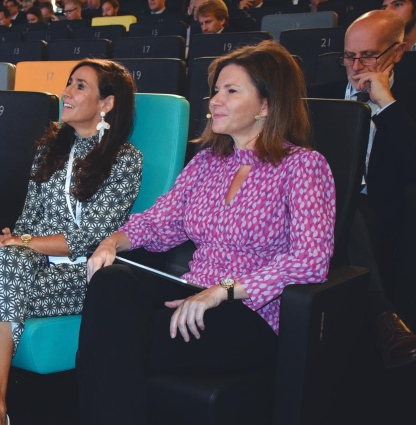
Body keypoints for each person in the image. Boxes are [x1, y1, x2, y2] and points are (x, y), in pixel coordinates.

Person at [78, 41, 336, 425]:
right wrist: (112, 241)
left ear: (266, 105)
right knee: (111, 280)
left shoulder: (303, 166)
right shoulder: (207, 162)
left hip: (251, 309)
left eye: (231, 91)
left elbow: (310, 260)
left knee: (116, 344)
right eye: (216, 90)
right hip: (194, 289)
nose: (215, 99)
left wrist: (222, 291)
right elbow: (159, 222)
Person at [0, 59, 143, 425]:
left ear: (107, 103)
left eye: (80, 86)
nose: (67, 92)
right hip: (27, 269)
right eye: (69, 83)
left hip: (81, 276)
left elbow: (90, 237)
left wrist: (16, 245)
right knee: (1, 274)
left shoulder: (125, 159)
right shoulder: (49, 150)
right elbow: (27, 220)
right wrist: (4, 240)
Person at [308, 10, 416, 368]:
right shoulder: (316, 97)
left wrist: (386, 105)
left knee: (347, 205)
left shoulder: (406, 104)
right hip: (316, 206)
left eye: (368, 55)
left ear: (397, 53)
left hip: (378, 210)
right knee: (333, 196)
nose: (355, 66)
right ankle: (382, 315)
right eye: (349, 55)